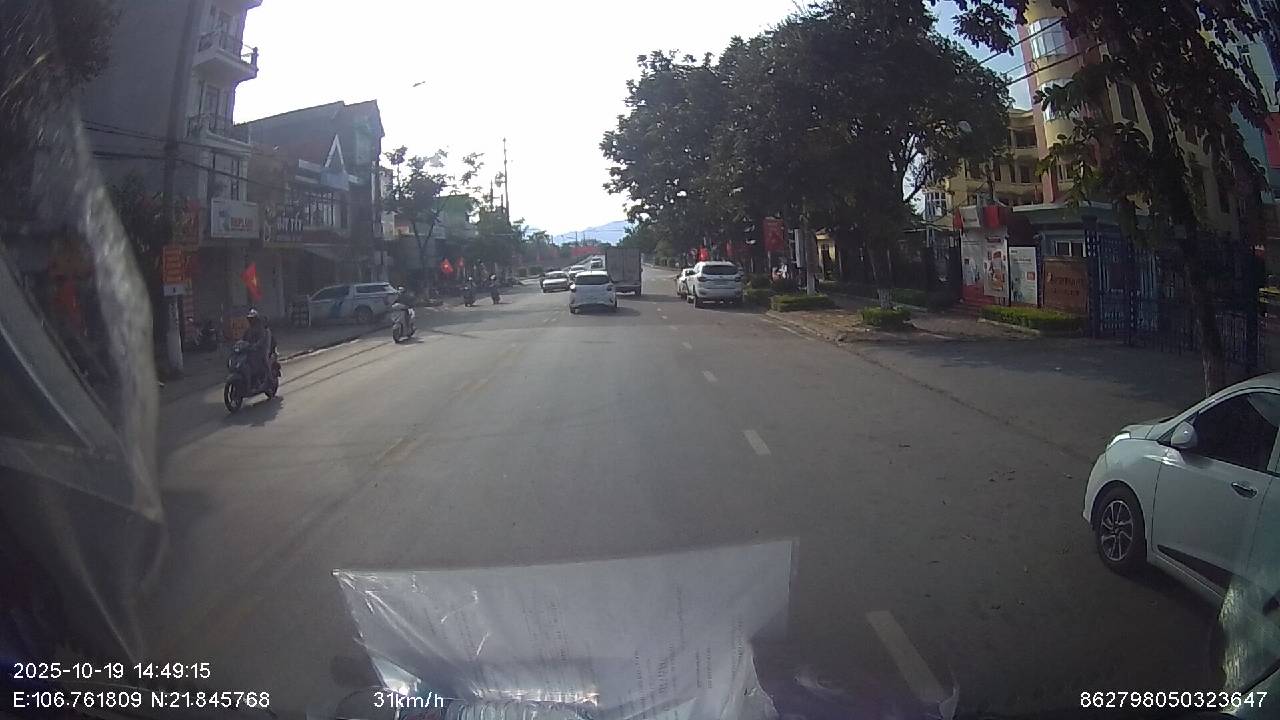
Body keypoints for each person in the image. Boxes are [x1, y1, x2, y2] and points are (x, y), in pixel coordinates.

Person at [240, 309, 274, 388]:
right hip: (250, 350)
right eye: (250, 319)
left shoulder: (261, 328)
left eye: (252, 319)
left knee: (264, 360)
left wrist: (256, 345)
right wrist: (240, 344)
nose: (251, 320)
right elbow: (243, 339)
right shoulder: (248, 330)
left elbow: (262, 339)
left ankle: (270, 379)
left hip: (261, 350)